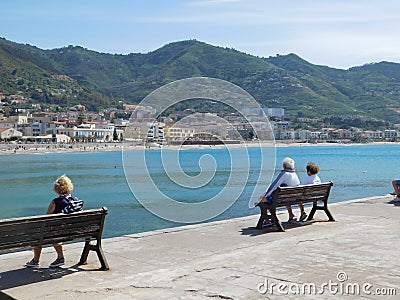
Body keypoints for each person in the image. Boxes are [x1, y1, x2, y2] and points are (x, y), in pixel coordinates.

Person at [25, 175, 78, 268]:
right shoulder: (75, 200)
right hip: (71, 230)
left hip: (57, 231)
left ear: (57, 188)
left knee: (38, 235)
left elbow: (46, 218)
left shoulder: (55, 202)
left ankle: (35, 260)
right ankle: (60, 258)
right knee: (55, 234)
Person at [257, 157, 300, 224]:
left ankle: (267, 220)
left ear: (284, 166)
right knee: (284, 195)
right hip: (292, 197)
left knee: (262, 199)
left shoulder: (284, 174)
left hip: (283, 198)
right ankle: (291, 214)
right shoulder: (295, 174)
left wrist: (265, 195)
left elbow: (274, 185)